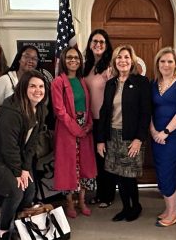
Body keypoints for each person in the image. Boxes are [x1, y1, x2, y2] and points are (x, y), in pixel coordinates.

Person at [0, 70, 48, 240]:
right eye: (32, 86)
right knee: (15, 191)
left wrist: (26, 169)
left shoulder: (41, 109)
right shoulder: (12, 110)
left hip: (13, 158)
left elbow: (32, 144)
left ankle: (22, 223)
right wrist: (17, 171)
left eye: (41, 86)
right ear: (23, 88)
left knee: (30, 188)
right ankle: (4, 228)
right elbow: (9, 146)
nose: (38, 90)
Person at [96, 44, 151, 222]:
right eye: (119, 57)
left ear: (132, 60)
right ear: (114, 61)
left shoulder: (141, 82)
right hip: (112, 135)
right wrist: (101, 140)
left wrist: (139, 139)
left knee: (129, 175)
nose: (123, 60)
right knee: (118, 173)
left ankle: (135, 206)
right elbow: (104, 111)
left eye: (126, 57)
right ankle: (126, 207)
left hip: (131, 137)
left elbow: (146, 113)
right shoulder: (110, 83)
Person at [51, 47, 97, 218]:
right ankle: (70, 203)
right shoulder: (58, 82)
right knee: (69, 167)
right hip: (66, 129)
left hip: (84, 127)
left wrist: (88, 124)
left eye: (76, 58)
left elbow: (87, 105)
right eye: (69, 57)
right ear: (63, 60)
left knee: (84, 166)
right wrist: (74, 128)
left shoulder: (82, 81)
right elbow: (59, 109)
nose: (73, 60)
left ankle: (82, 201)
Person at [150, 47, 176, 227]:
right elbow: (149, 110)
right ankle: (168, 209)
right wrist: (153, 131)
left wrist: (165, 132)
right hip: (156, 137)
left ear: (175, 64)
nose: (166, 65)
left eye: (170, 61)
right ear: (157, 64)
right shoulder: (153, 83)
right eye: (162, 61)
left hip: (172, 137)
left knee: (168, 173)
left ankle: (173, 213)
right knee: (160, 173)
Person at [83, 29, 115, 208]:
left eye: (102, 42)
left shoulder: (110, 67)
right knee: (95, 159)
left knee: (105, 160)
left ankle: (107, 195)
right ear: (89, 44)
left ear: (107, 45)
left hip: (105, 121)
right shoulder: (85, 66)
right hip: (89, 121)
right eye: (95, 41)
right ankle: (99, 193)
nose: (98, 44)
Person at [0, 45, 39, 119]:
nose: (30, 61)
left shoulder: (37, 83)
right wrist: (1, 124)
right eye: (27, 57)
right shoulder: (5, 80)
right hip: (8, 128)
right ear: (19, 59)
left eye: (34, 58)